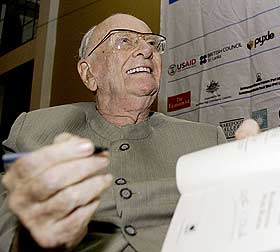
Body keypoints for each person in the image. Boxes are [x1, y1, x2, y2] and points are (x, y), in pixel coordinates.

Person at [0, 13, 258, 252]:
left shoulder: (206, 140)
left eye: (152, 44)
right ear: (89, 73)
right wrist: (26, 234)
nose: (147, 50)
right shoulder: (35, 128)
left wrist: (261, 185)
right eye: (125, 40)